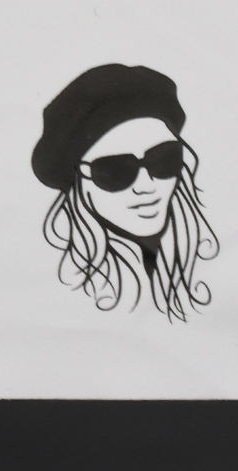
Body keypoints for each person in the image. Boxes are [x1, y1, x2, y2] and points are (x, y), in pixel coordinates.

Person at [31, 64, 218, 322]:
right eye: (116, 170)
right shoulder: (62, 287)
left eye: (163, 159)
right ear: (79, 179)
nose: (146, 184)